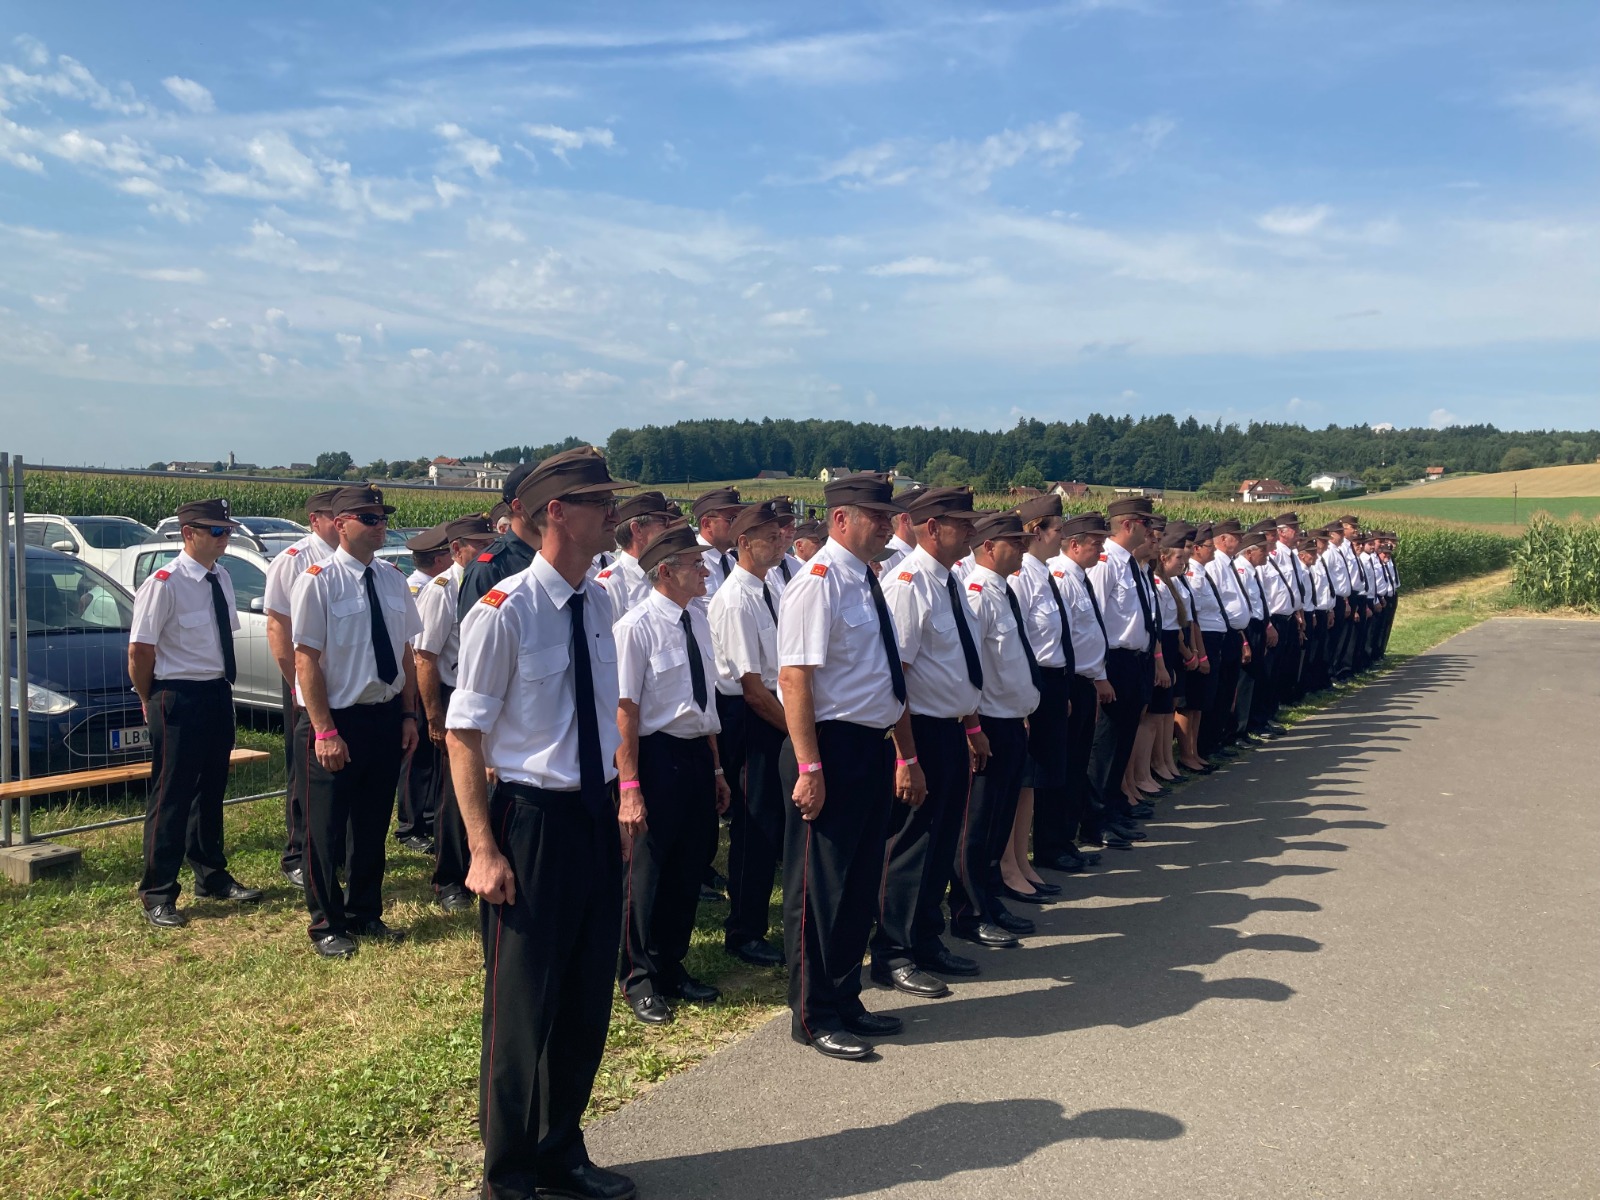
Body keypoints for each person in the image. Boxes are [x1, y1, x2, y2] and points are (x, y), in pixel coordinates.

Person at [445, 447, 639, 1200]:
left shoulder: (601, 603)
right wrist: (482, 848)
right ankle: (510, 1175)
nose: (613, 513)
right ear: (556, 510)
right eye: (598, 501)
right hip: (531, 821)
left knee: (586, 999)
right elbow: (464, 735)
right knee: (521, 1011)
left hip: (592, 814)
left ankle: (562, 1152)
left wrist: (620, 797)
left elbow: (605, 713)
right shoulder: (505, 611)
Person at [777, 471, 923, 1060]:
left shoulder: (865, 578)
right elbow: (795, 678)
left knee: (859, 886)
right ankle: (812, 1013)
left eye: (889, 517)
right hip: (830, 749)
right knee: (821, 889)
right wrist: (810, 767)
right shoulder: (817, 583)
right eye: (877, 517)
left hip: (869, 746)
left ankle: (844, 996)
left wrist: (902, 752)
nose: (888, 526)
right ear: (841, 519)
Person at [291, 484, 423, 958]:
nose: (380, 525)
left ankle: (365, 911)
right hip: (337, 719)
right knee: (325, 830)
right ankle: (327, 922)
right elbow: (305, 660)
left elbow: (405, 653)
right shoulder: (318, 580)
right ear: (341, 524)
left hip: (384, 716)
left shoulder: (392, 579)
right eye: (369, 518)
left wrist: (408, 714)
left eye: (383, 518)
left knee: (371, 824)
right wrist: (325, 730)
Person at [873, 486, 988, 998]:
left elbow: (957, 664)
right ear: (933, 528)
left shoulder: (950, 579)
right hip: (917, 730)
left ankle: (925, 937)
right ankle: (893, 952)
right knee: (910, 846)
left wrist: (971, 727)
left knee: (939, 842)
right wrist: (907, 756)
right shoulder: (908, 584)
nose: (972, 531)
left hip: (949, 728)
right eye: (963, 523)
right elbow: (895, 677)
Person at [128, 498, 263, 928]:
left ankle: (211, 875)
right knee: (172, 795)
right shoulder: (164, 584)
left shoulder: (220, 576)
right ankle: (158, 891)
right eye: (217, 531)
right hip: (177, 695)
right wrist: (150, 697)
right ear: (189, 534)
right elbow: (140, 651)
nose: (226, 538)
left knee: (210, 791)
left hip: (216, 692)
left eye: (228, 531)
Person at [952, 511, 1041, 949]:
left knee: (999, 819)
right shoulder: (977, 594)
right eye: (1015, 542)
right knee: (978, 825)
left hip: (1010, 721)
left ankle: (989, 899)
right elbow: (971, 667)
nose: (1023, 548)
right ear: (988, 547)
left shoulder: (1002, 591)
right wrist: (973, 728)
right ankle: (969, 911)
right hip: (987, 723)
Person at [708, 501, 790, 968]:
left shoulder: (770, 586)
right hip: (751, 717)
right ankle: (744, 930)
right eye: (770, 538)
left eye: (780, 536)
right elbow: (752, 689)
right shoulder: (736, 598)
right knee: (753, 825)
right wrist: (797, 733)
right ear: (743, 543)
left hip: (773, 708)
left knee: (773, 822)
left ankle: (761, 918)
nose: (780, 544)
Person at [413, 514, 497, 912]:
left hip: (487, 692)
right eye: (479, 545)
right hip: (452, 693)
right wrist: (433, 715)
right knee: (453, 789)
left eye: (490, 542)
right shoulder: (443, 589)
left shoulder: (492, 582)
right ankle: (449, 878)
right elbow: (425, 657)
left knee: (488, 782)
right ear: (456, 549)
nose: (487, 550)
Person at [262, 487, 342, 889]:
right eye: (333, 515)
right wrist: (295, 683)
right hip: (306, 683)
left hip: (344, 685)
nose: (341, 522)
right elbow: (278, 626)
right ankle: (297, 852)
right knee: (304, 775)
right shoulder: (294, 560)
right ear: (315, 520)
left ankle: (334, 850)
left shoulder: (354, 560)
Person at [1005, 495, 1075, 894]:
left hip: (1050, 683)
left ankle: (1022, 860)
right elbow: (1020, 643)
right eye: (1058, 530)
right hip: (1031, 684)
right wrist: (1027, 698)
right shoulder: (1022, 577)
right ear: (1037, 532)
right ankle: (1009, 865)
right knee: (1022, 781)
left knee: (1034, 781)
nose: (1062, 537)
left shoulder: (1043, 574)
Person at [1083, 498, 1158, 848]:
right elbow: (1094, 618)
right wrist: (1100, 673)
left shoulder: (1129, 563)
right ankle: (1096, 821)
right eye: (1146, 523)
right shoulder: (1106, 563)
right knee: (1107, 745)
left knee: (1123, 740)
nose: (1150, 530)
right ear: (1128, 525)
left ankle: (1113, 809)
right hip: (1113, 661)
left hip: (1134, 660)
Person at [1046, 512, 1118, 854]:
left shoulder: (1079, 577)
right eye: (1096, 544)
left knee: (1076, 764)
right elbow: (1063, 638)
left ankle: (1070, 835)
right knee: (1066, 766)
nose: (1101, 551)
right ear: (1074, 545)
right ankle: (1057, 840)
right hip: (1070, 681)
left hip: (1085, 680)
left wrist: (1099, 675)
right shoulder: (1061, 578)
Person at [395, 523, 453, 855]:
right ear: (439, 559)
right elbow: (417, 647)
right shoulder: (419, 589)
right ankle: (410, 824)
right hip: (419, 679)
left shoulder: (430, 586)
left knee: (432, 757)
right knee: (416, 757)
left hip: (432, 679)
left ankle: (429, 816)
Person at [458, 462, 541, 616]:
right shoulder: (489, 569)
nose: (557, 508)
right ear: (518, 507)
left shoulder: (556, 558)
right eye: (544, 501)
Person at [1202, 518, 1251, 758]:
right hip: (1221, 634)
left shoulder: (1228, 563)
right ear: (1223, 539)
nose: (1241, 540)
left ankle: (1219, 739)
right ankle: (1209, 743)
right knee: (1219, 691)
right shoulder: (1215, 565)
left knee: (1227, 690)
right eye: (1237, 536)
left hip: (1232, 633)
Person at [598, 490, 673, 623]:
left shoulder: (666, 574)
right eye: (663, 522)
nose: (669, 530)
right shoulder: (612, 583)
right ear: (637, 530)